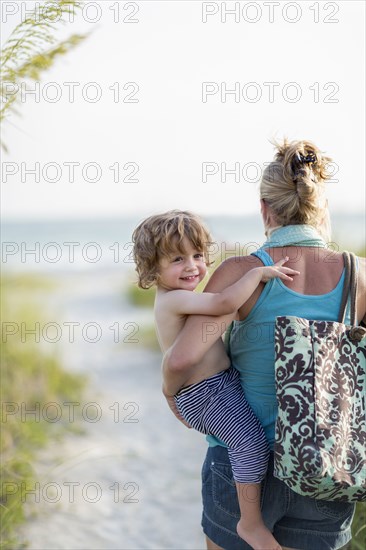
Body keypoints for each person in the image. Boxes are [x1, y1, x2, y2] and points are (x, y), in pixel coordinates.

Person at [162, 139, 366, 550]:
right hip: (325, 461)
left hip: (243, 468)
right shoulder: (358, 274)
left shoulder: (244, 272)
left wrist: (169, 391)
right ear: (321, 207)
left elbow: (184, 357)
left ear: (264, 208)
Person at [132, 210, 300, 550]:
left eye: (197, 255)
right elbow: (225, 301)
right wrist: (259, 273)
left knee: (248, 440)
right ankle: (250, 524)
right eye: (178, 259)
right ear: (153, 268)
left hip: (213, 387)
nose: (192, 266)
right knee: (248, 443)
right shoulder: (174, 299)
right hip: (206, 393)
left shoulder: (180, 296)